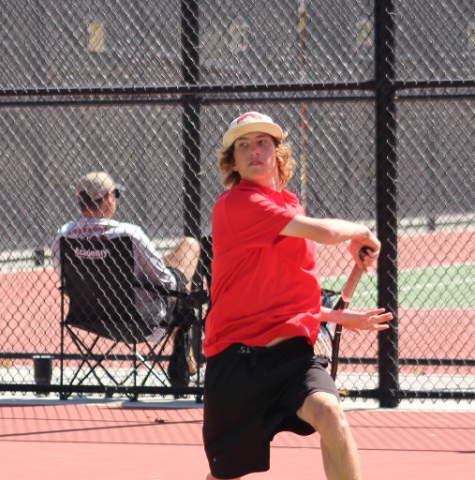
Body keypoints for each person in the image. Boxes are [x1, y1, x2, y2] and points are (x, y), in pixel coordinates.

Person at [202, 112, 393, 479]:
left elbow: (285, 296)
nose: (254, 151)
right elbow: (325, 232)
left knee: (331, 413)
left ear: (277, 154)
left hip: (292, 359)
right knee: (224, 476)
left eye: (262, 143)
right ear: (233, 162)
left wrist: (335, 316)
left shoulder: (291, 205)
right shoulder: (236, 205)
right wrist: (362, 232)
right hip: (237, 362)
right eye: (243, 146)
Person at [51, 171, 201, 387]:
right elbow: (165, 283)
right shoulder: (128, 234)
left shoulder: (63, 236)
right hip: (141, 320)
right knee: (189, 248)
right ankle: (185, 356)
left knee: (169, 275)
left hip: (88, 317)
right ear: (108, 199)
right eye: (115, 195)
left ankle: (188, 357)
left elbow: (67, 282)